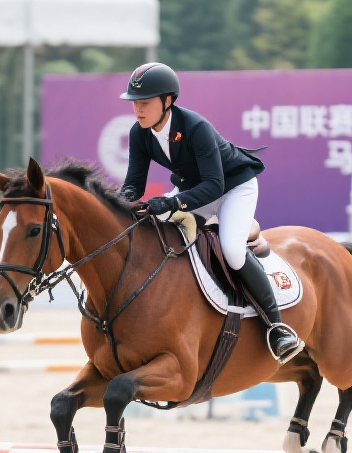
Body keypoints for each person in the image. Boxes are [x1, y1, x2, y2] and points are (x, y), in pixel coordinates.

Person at [117, 62, 304, 364]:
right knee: (157, 228)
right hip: (195, 189)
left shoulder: (195, 128)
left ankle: (278, 327)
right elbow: (134, 183)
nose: (138, 110)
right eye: (135, 103)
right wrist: (122, 201)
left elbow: (214, 185)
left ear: (167, 101)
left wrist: (172, 204)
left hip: (232, 189)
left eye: (145, 103)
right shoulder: (140, 134)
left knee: (231, 250)